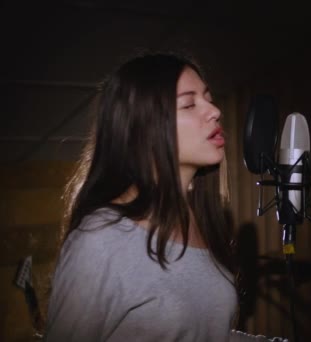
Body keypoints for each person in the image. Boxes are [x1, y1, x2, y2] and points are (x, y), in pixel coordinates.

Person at [43, 51, 286, 342]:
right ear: (143, 128)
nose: (214, 110)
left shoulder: (199, 221)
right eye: (189, 103)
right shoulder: (101, 238)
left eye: (208, 98)